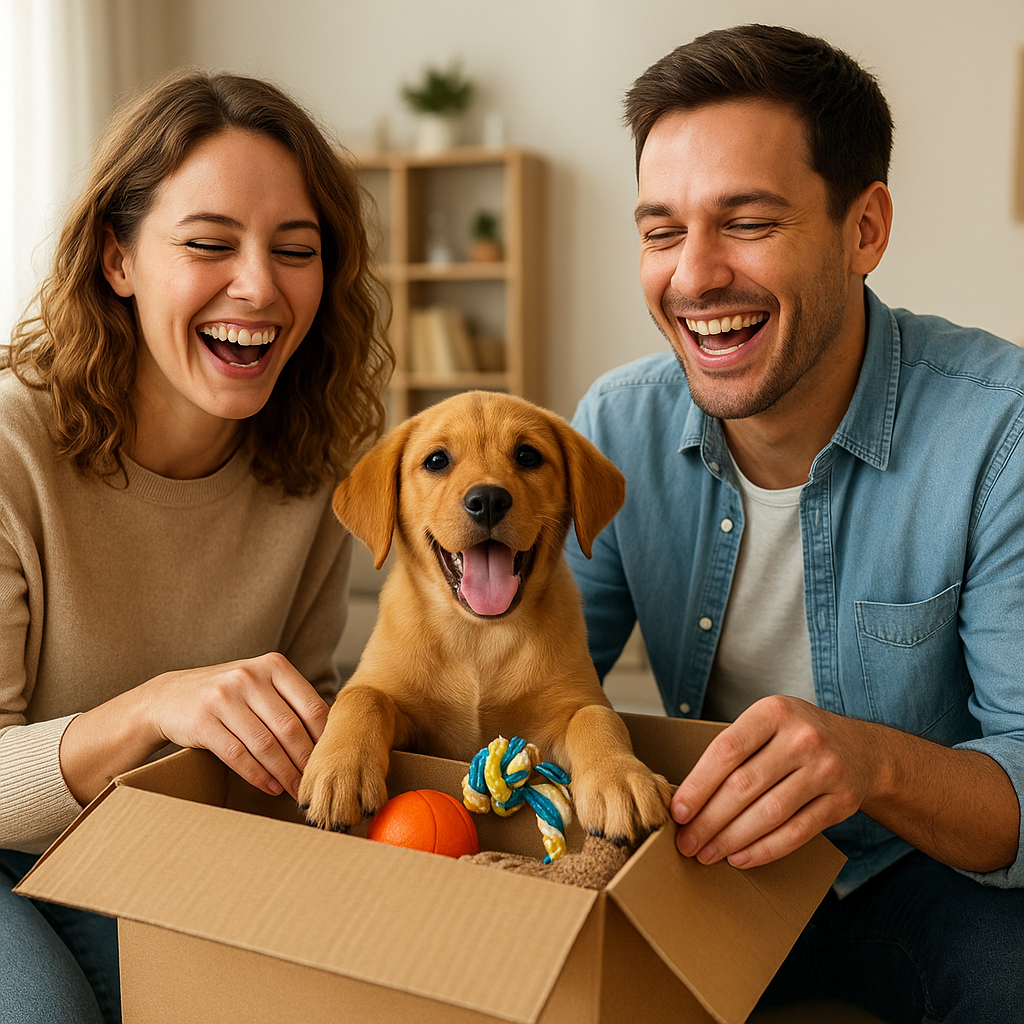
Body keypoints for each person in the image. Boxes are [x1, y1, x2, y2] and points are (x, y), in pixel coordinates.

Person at [566, 24, 1024, 1023]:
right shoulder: (614, 427)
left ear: (865, 230)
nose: (693, 277)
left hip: (925, 874)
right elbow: (534, 681)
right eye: (660, 231)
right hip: (707, 863)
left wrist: (868, 763)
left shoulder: (1001, 428)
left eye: (746, 221)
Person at [0, 71, 392, 1024]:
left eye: (295, 250)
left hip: (167, 855)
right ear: (118, 259)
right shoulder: (12, 449)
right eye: (209, 244)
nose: (259, 286)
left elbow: (298, 722)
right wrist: (154, 708)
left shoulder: (314, 463)